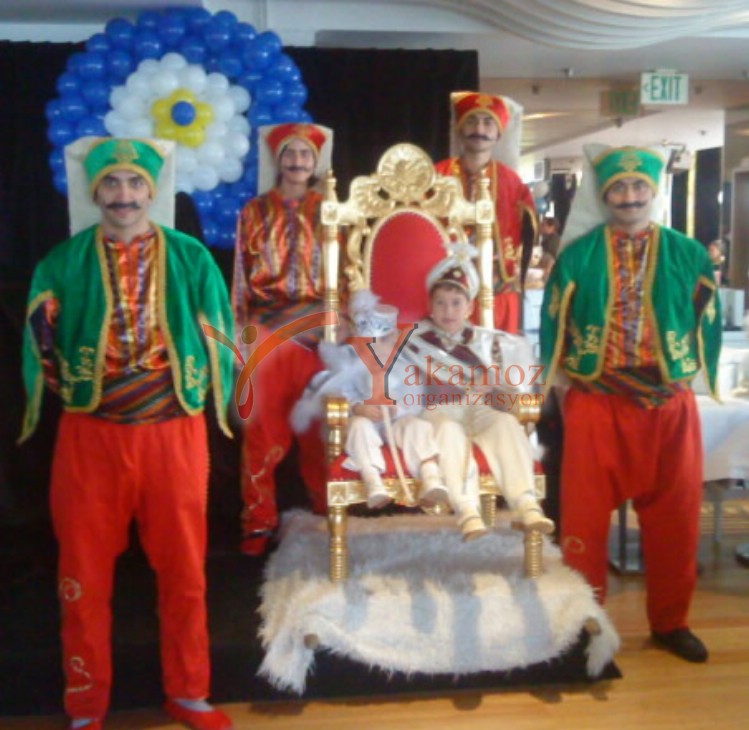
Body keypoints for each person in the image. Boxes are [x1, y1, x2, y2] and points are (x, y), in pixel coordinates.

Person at [19, 137, 235, 730]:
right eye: (111, 183)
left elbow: (221, 332)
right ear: (95, 193)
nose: (124, 195)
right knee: (83, 576)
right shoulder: (62, 262)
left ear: (151, 190)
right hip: (91, 439)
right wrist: (66, 375)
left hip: (174, 435)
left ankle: (189, 692)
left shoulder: (191, 256)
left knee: (185, 572)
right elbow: (37, 337)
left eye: (135, 183)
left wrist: (213, 393)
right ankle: (86, 703)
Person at [539, 145, 722, 664]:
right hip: (597, 404)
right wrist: (556, 387)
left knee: (676, 520)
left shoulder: (689, 254)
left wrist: (696, 373)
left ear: (653, 191)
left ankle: (670, 623)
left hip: (669, 407)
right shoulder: (578, 255)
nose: (629, 196)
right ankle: (584, 625)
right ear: (604, 195)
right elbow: (553, 323)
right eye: (618, 187)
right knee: (583, 521)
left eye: (639, 186)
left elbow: (706, 315)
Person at [403, 246, 554, 540]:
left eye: (456, 303)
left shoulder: (488, 343)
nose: (448, 311)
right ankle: (467, 510)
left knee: (506, 423)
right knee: (449, 432)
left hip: (480, 408)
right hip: (439, 410)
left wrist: (496, 384)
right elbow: (399, 383)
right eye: (441, 303)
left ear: (469, 307)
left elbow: (511, 393)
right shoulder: (414, 341)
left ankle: (526, 504)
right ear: (430, 306)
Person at [232, 122, 334, 556]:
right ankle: (258, 521)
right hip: (268, 333)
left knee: (323, 431)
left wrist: (347, 326)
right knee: (261, 432)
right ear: (278, 160)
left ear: (315, 162)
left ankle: (330, 514)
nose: (297, 161)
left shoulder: (330, 210)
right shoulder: (254, 212)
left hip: (318, 333)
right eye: (290, 153)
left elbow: (348, 270)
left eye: (305, 154)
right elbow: (240, 275)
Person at [291, 290, 449, 510]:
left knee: (417, 427)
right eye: (370, 343)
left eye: (384, 340)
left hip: (396, 422)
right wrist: (358, 408)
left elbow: (415, 400)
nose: (378, 348)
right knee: (359, 427)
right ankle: (372, 479)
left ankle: (430, 474)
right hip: (368, 422)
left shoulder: (405, 365)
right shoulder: (350, 364)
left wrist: (397, 410)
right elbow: (341, 391)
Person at [435, 92, 537, 334]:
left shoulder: (513, 183)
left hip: (498, 294)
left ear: (498, 132)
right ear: (460, 128)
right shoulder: (436, 175)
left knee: (498, 354)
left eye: (487, 122)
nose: (479, 129)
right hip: (445, 297)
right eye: (471, 121)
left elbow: (528, 234)